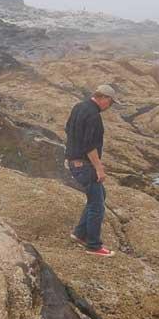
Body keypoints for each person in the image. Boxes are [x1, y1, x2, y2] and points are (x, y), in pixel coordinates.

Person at [64, 84, 119, 257]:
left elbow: (68, 129)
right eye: (110, 103)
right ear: (104, 98)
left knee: (100, 195)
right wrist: (99, 169)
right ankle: (94, 246)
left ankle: (80, 233)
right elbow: (90, 146)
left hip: (74, 161)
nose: (109, 107)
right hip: (84, 165)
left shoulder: (79, 107)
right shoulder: (94, 115)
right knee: (97, 205)